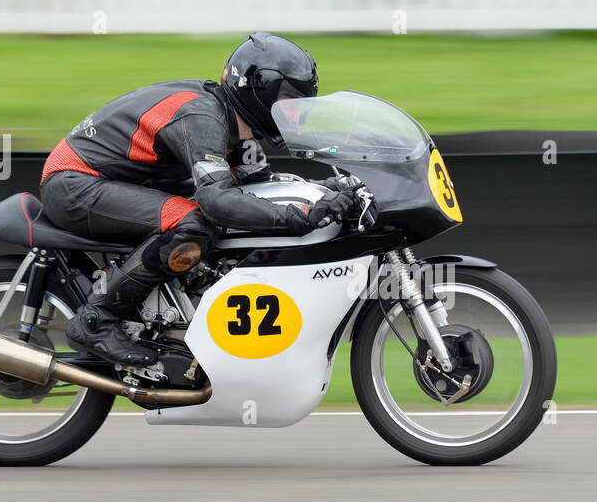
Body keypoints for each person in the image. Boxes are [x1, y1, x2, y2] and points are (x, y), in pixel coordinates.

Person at [38, 33, 359, 366]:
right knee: (192, 223)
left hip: (114, 181)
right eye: (289, 102)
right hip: (75, 184)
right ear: (260, 91)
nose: (296, 116)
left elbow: (264, 188)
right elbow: (217, 201)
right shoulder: (204, 120)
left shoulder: (238, 128)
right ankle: (96, 319)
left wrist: (331, 192)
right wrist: (300, 218)